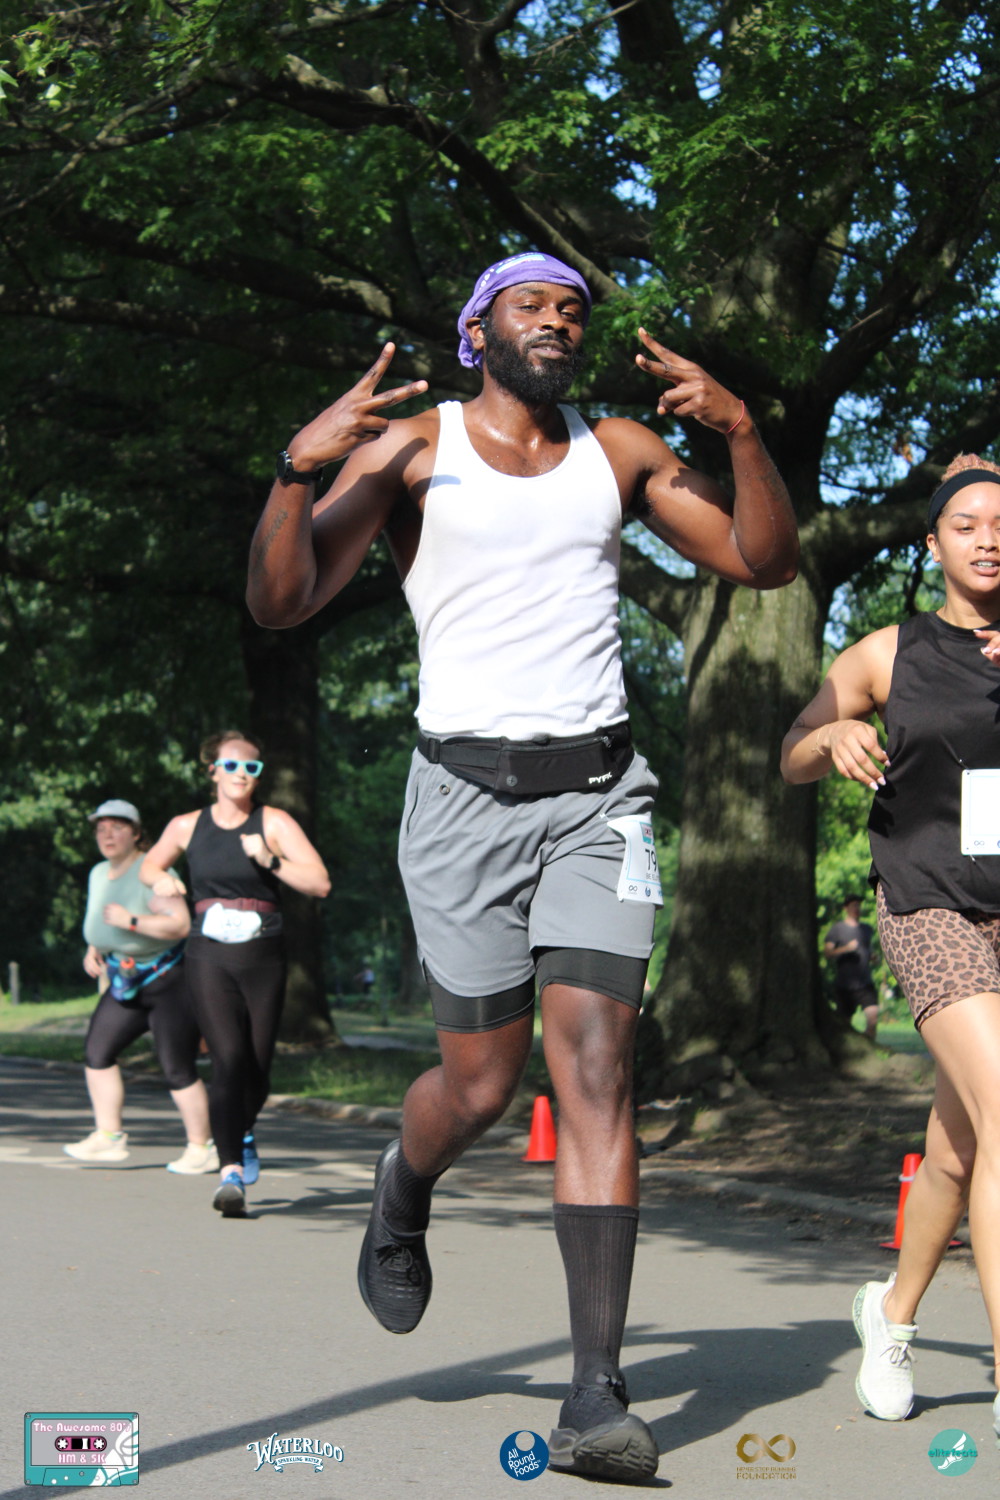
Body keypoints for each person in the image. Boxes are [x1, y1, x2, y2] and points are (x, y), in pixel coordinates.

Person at [246, 250, 798, 1480]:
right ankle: (405, 1181)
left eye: (571, 310)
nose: (556, 320)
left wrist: (742, 433)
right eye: (530, 305)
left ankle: (594, 1396)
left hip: (602, 799)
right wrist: (297, 470)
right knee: (481, 1086)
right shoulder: (413, 452)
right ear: (477, 331)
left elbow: (762, 562)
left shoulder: (620, 452)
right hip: (460, 802)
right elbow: (281, 601)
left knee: (596, 1068)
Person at [780, 454, 1000, 1442]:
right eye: (966, 524)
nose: (988, 539)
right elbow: (793, 750)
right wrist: (831, 740)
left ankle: (892, 1315)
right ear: (933, 543)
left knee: (962, 1146)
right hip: (928, 902)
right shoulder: (888, 653)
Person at [140, 733, 331, 1217]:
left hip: (263, 955)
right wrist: (162, 879)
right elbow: (149, 865)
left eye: (252, 767)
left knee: (257, 1070)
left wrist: (270, 860)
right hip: (209, 954)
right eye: (231, 765)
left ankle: (240, 1131)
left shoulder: (274, 822)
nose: (241, 773)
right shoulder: (187, 825)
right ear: (212, 771)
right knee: (227, 1059)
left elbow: (319, 882)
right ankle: (229, 1173)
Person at [64, 799, 215, 1173]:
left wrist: (131, 921)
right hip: (125, 980)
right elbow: (101, 921)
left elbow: (179, 924)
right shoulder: (99, 873)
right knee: (98, 1051)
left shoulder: (151, 871)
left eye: (117, 828)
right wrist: (95, 947)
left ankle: (203, 1147)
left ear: (135, 834)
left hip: (168, 982)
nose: (108, 835)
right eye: (101, 829)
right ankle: (109, 1137)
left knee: (176, 1067)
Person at [824, 894, 879, 1040]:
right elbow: (827, 952)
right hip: (845, 984)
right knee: (844, 1025)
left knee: (873, 1020)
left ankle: (868, 1047)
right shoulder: (837, 929)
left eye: (858, 905)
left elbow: (868, 950)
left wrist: (873, 957)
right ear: (846, 908)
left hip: (865, 983)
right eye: (854, 905)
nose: (857, 908)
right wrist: (846, 948)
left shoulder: (866, 929)